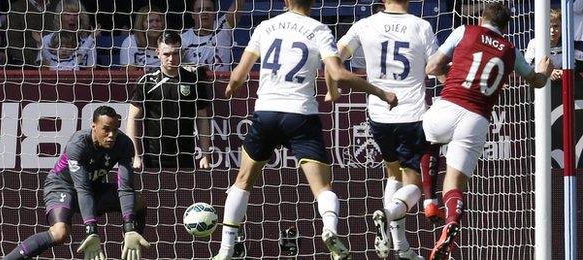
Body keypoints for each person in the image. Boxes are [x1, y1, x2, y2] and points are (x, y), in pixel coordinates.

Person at [211, 0, 398, 259]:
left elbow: (239, 74)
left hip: (266, 113)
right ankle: (330, 229)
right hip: (301, 115)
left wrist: (232, 87)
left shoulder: (266, 26)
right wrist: (378, 92)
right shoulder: (320, 29)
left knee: (242, 182)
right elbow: (337, 73)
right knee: (323, 188)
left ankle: (225, 251)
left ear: (286, 1)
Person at [423, 3, 553, 260]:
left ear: (482, 18)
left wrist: (449, 72)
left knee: (426, 139)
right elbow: (535, 81)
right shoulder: (511, 50)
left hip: (448, 104)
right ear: (506, 27)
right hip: (477, 119)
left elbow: (432, 67)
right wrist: (544, 73)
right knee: (456, 182)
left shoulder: (464, 31)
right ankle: (451, 222)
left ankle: (429, 201)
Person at [336, 0, 438, 259]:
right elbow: (436, 67)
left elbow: (336, 55)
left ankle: (400, 245)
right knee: (413, 182)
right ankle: (389, 214)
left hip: (380, 114)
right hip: (412, 115)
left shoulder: (365, 24)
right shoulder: (421, 26)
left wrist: (332, 88)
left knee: (393, 174)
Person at [4, 106, 150, 260]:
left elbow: (125, 188)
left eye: (115, 129)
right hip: (63, 186)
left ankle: (130, 247)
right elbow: (83, 189)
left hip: (94, 188)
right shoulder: (78, 144)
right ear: (94, 127)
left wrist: (129, 227)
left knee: (138, 201)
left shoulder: (124, 144)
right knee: (60, 233)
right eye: (106, 129)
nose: (111, 135)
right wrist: (91, 230)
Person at [126, 32, 212, 170]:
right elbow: (132, 119)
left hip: (185, 156)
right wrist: (135, 155)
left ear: (182, 53)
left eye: (176, 53)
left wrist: (206, 154)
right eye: (166, 54)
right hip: (153, 158)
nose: (171, 58)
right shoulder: (147, 81)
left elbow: (202, 118)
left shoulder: (193, 80)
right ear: (158, 53)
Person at [181, 0, 244, 72]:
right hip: (198, 82)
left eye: (208, 9)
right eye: (199, 10)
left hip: (224, 82)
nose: (204, 13)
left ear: (214, 13)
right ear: (193, 15)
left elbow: (238, 4)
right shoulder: (184, 39)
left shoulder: (224, 27)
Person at [37, 0, 97, 69]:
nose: (72, 18)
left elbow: (91, 70)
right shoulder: (47, 40)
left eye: (76, 15)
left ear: (81, 18)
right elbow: (42, 68)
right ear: (60, 17)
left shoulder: (89, 42)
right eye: (67, 14)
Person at [6, 0, 58, 67]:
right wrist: (38, 59)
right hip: (26, 64)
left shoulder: (58, 5)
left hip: (61, 58)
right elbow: (12, 43)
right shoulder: (16, 8)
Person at [119, 5, 166, 71]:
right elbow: (127, 73)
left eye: (158, 21)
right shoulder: (130, 43)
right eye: (150, 21)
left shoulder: (168, 42)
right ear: (141, 24)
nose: (155, 25)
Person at [524, 9, 563, 81]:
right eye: (549, 27)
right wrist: (547, 72)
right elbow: (527, 67)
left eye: (556, 26)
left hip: (562, 82)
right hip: (539, 82)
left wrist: (562, 72)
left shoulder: (568, 44)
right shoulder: (534, 43)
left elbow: (574, 66)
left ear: (562, 27)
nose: (552, 31)